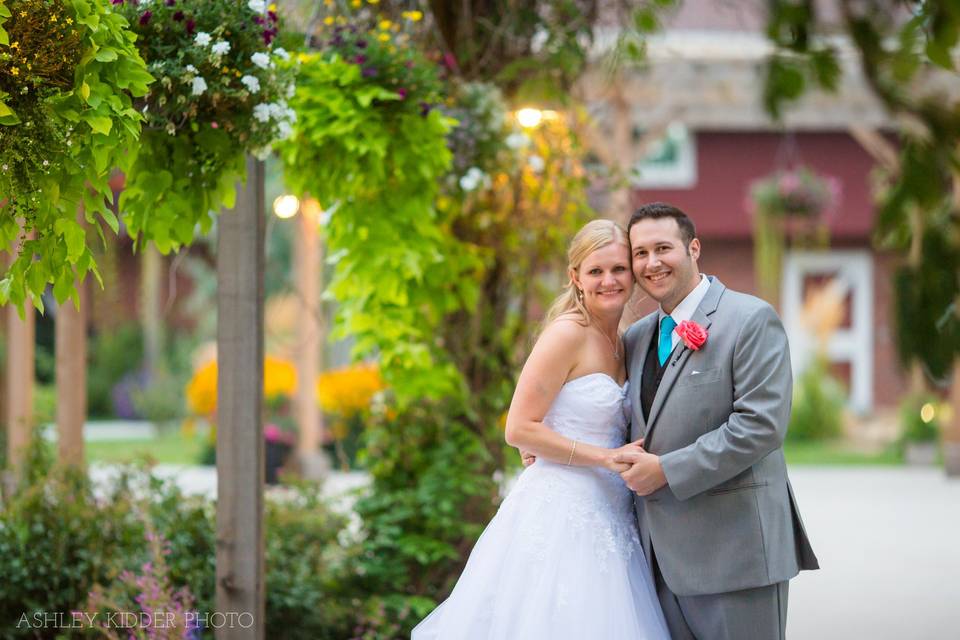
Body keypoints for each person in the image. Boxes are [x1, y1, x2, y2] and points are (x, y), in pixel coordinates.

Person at [411, 219, 670, 639]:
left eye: (619, 269)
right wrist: (604, 457)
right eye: (595, 271)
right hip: (561, 511)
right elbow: (518, 428)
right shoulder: (567, 334)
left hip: (613, 512)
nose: (609, 280)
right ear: (576, 278)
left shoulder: (627, 338)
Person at [612, 202, 820, 640]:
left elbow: (760, 426)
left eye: (663, 248)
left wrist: (667, 469)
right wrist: (551, 446)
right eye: (640, 253)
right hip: (659, 564)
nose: (651, 263)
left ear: (694, 248)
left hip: (736, 557)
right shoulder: (635, 337)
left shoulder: (750, 319)